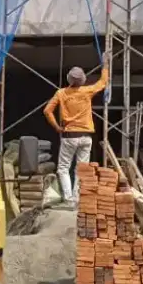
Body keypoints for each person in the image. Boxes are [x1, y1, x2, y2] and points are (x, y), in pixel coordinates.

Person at [43, 63, 109, 205]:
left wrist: (57, 127)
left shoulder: (61, 93)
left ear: (69, 79)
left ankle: (69, 199)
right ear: (83, 80)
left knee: (63, 168)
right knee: (81, 169)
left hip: (70, 136)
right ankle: (77, 198)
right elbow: (103, 82)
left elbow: (47, 111)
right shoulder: (87, 91)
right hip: (86, 136)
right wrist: (105, 65)